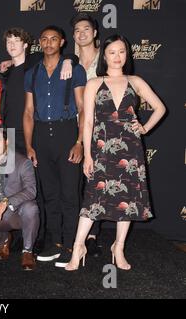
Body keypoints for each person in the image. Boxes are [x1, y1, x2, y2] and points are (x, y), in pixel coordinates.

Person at [65, 34, 166, 271]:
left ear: (127, 55)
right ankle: (78, 246)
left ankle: (118, 247)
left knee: (128, 202)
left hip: (130, 149)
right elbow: (88, 122)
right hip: (100, 150)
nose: (117, 57)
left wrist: (144, 128)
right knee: (92, 201)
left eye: (122, 52)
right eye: (112, 52)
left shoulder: (135, 80)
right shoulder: (93, 83)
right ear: (104, 56)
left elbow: (160, 107)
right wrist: (88, 156)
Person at [23, 25, 87, 268]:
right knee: (49, 194)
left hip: (66, 131)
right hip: (41, 135)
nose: (48, 42)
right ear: (40, 42)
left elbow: (82, 109)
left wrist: (79, 142)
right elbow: (28, 112)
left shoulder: (75, 70)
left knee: (70, 193)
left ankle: (73, 245)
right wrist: (29, 145)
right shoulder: (32, 73)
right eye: (44, 39)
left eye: (53, 39)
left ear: (62, 42)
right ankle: (56, 242)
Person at [0, 124, 39, 270]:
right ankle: (4, 240)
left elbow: (31, 191)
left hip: (18, 210)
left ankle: (28, 251)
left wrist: (6, 202)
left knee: (31, 208)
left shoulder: (22, 162)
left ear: (7, 141)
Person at [71, 12, 102, 257]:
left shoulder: (104, 60)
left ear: (94, 33)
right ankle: (76, 230)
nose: (81, 33)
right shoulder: (68, 61)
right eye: (77, 30)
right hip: (72, 126)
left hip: (101, 127)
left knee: (96, 180)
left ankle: (92, 233)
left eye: (86, 29)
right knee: (75, 181)